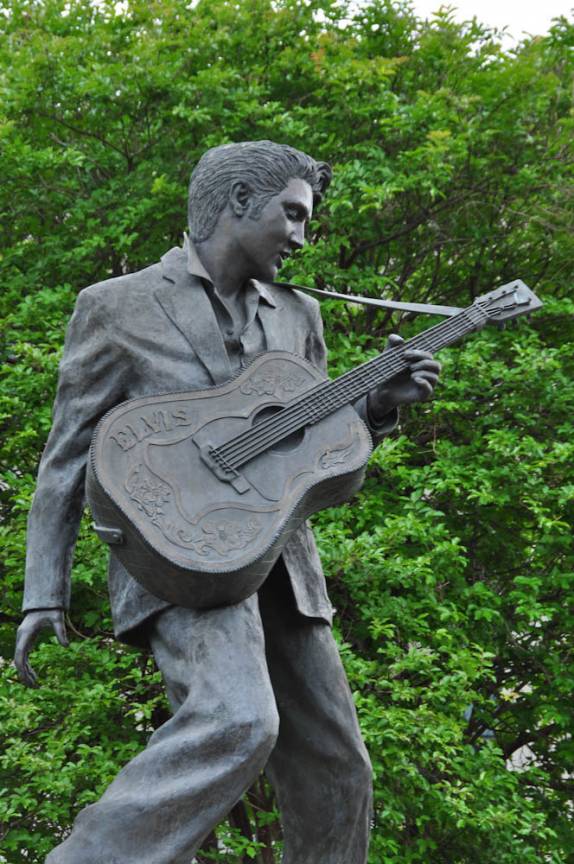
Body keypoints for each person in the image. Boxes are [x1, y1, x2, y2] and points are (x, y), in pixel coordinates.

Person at [14, 141, 441, 864]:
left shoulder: (300, 315)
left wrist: (375, 410)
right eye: (294, 215)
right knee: (237, 719)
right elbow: (65, 459)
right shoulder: (116, 307)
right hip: (178, 550)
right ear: (241, 201)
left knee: (339, 770)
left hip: (281, 561)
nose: (303, 237)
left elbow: (315, 448)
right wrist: (41, 595)